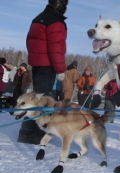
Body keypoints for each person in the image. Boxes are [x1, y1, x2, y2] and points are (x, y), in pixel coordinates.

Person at [20, 0, 69, 144]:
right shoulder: (55, 21)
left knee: (35, 100)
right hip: (47, 67)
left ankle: (27, 132)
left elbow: (30, 41)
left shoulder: (38, 18)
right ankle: (31, 134)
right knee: (42, 102)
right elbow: (56, 47)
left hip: (37, 66)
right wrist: (60, 70)